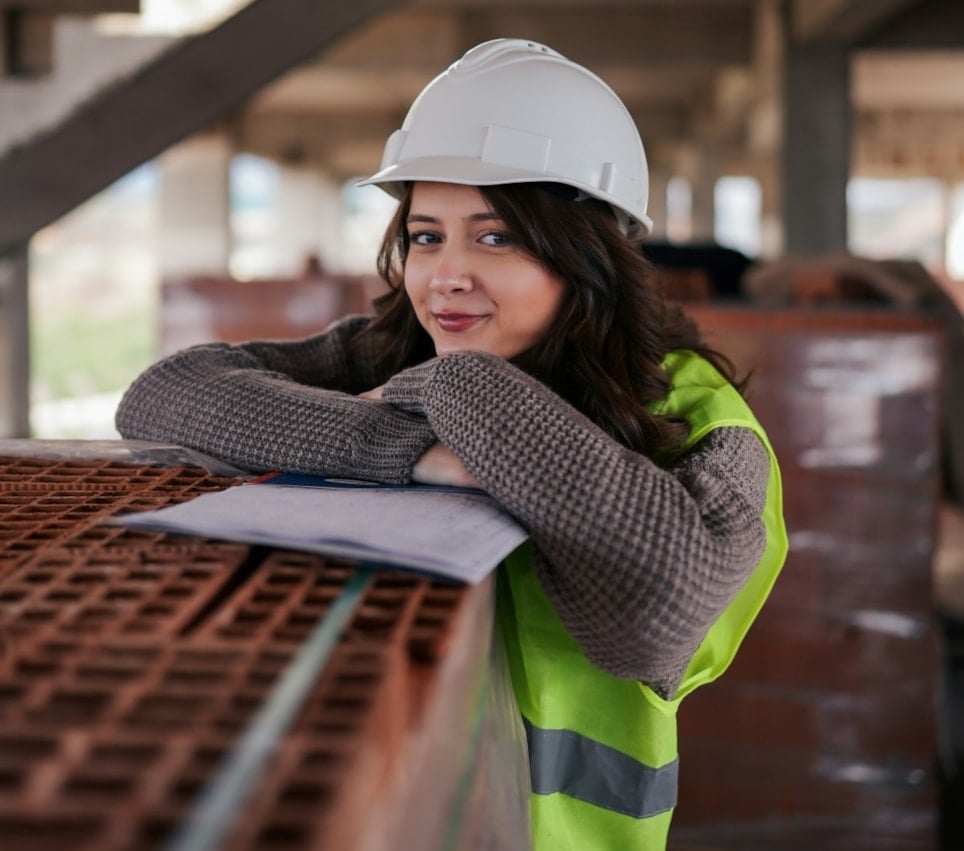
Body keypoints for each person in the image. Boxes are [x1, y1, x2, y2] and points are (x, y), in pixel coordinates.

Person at [116, 39, 788, 850]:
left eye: (496, 238)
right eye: (427, 235)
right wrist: (409, 450)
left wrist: (458, 390)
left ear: (590, 253)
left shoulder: (699, 420)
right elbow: (165, 392)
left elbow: (652, 618)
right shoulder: (399, 345)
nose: (445, 277)